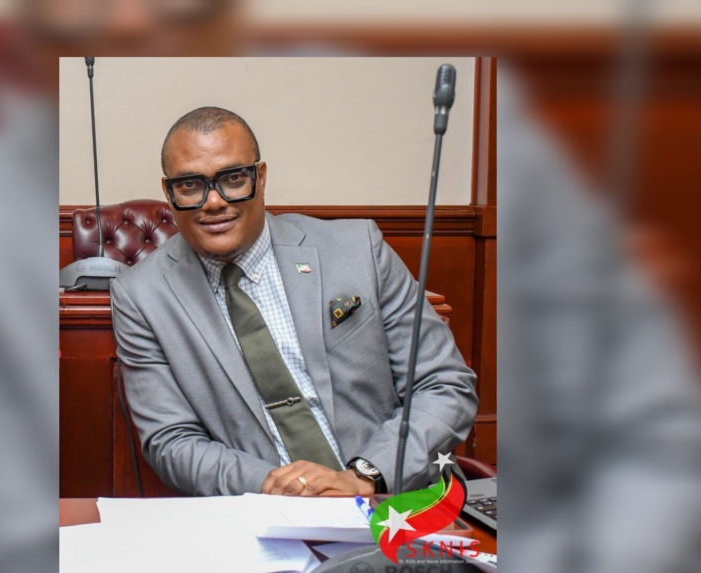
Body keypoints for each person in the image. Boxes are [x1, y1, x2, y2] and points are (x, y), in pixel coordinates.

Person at [111, 106, 478, 497]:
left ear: (261, 177)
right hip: (266, 511)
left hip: (400, 501)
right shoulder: (141, 295)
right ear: (169, 192)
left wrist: (364, 476)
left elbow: (444, 384)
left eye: (233, 179)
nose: (214, 201)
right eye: (189, 185)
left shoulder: (358, 249)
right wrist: (282, 487)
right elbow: (172, 441)